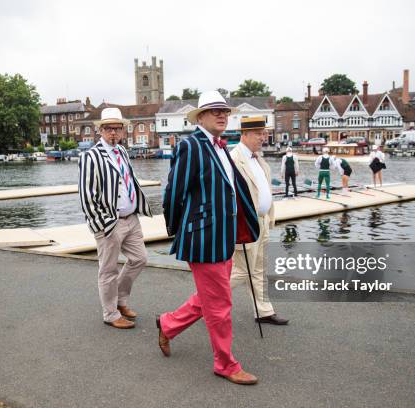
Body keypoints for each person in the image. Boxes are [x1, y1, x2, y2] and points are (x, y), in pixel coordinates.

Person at [159, 91, 261, 385]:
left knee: (212, 298)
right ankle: (225, 364)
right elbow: (174, 192)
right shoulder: (191, 146)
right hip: (204, 238)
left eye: (225, 111)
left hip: (225, 236)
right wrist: (179, 231)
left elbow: (230, 190)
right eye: (214, 111)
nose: (221, 115)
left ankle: (168, 325)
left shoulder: (221, 147)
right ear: (200, 116)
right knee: (220, 305)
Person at [78, 108, 153, 329]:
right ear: (100, 130)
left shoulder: (122, 151)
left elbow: (128, 182)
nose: (113, 132)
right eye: (108, 128)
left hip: (131, 219)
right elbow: (87, 194)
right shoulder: (90, 156)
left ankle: (120, 300)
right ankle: (110, 313)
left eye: (117, 128)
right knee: (108, 270)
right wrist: (100, 223)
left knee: (140, 259)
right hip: (110, 222)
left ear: (122, 131)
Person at [230, 117, 289, 326]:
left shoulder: (258, 158)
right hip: (246, 225)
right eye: (258, 134)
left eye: (263, 133)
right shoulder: (234, 159)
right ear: (244, 135)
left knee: (258, 269)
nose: (263, 138)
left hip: (262, 222)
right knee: (242, 270)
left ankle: (263, 311)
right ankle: (202, 304)